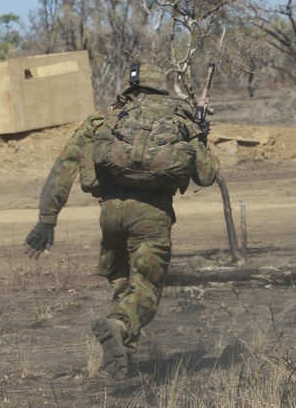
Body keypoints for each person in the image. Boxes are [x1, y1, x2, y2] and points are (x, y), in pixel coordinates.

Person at [23, 62, 220, 380]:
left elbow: (65, 165)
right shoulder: (180, 120)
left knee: (125, 284)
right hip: (151, 217)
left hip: (111, 215)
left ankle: (122, 357)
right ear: (160, 87)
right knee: (145, 288)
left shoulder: (106, 119)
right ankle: (118, 326)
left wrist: (47, 219)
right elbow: (207, 174)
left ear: (130, 87)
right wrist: (203, 135)